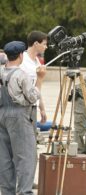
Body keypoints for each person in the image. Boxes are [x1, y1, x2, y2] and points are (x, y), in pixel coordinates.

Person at [0, 41, 46, 195]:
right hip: (19, 115)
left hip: (2, 114)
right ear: (20, 55)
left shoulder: (0, 72)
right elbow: (32, 98)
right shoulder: (21, 75)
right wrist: (39, 80)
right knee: (26, 158)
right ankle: (24, 192)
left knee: (4, 159)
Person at [20, 31, 48, 130]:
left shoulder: (38, 63)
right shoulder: (22, 60)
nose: (46, 47)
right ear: (36, 43)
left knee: (32, 139)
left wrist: (42, 109)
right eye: (44, 44)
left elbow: (37, 88)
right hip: (22, 108)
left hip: (33, 107)